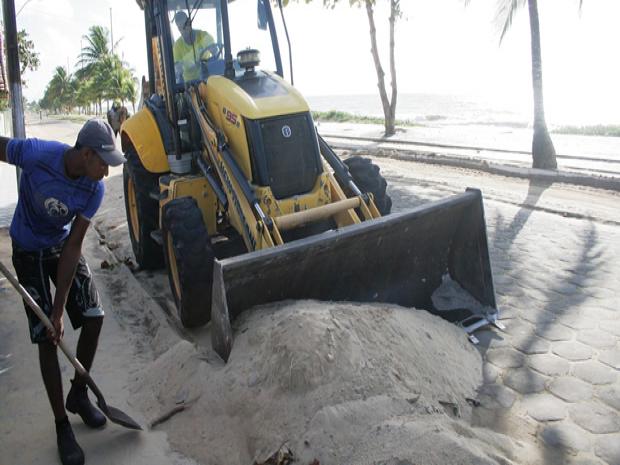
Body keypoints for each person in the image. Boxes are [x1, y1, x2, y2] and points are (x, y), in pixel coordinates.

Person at [0, 119, 125, 465]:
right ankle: (61, 426)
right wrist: (51, 320)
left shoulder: (93, 189)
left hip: (60, 247)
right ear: (85, 154)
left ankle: (79, 394)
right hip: (27, 250)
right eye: (103, 163)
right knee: (46, 337)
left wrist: (59, 310)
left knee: (93, 316)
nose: (106, 171)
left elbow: (73, 247)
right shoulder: (36, 153)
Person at [173, 10, 215, 82]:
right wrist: (191, 64)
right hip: (191, 84)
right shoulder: (177, 46)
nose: (183, 30)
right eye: (180, 28)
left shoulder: (203, 35)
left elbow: (215, 51)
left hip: (209, 77)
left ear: (189, 22)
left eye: (184, 26)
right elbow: (178, 69)